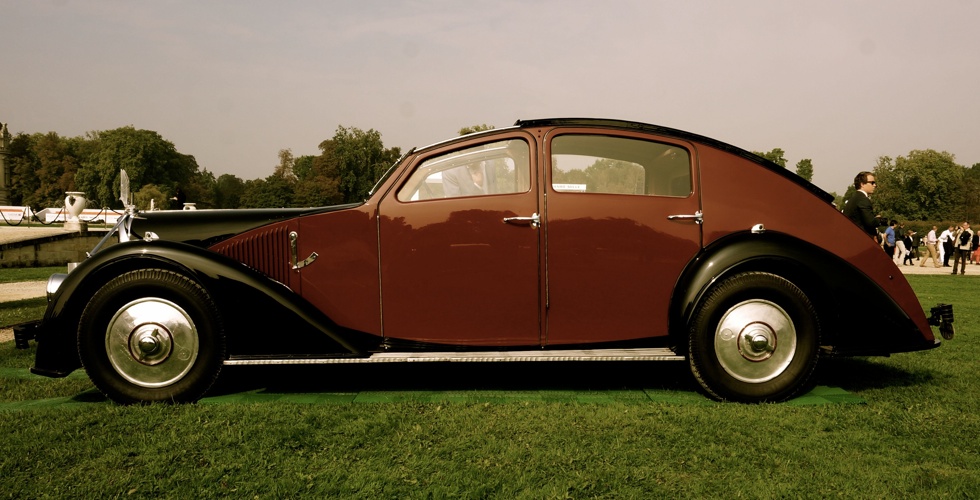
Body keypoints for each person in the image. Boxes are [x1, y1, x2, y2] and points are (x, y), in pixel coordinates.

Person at [842, 172, 880, 238]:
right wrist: (878, 219)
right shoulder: (863, 199)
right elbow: (870, 223)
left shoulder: (853, 198)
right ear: (862, 184)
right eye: (872, 183)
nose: (875, 185)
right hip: (862, 239)